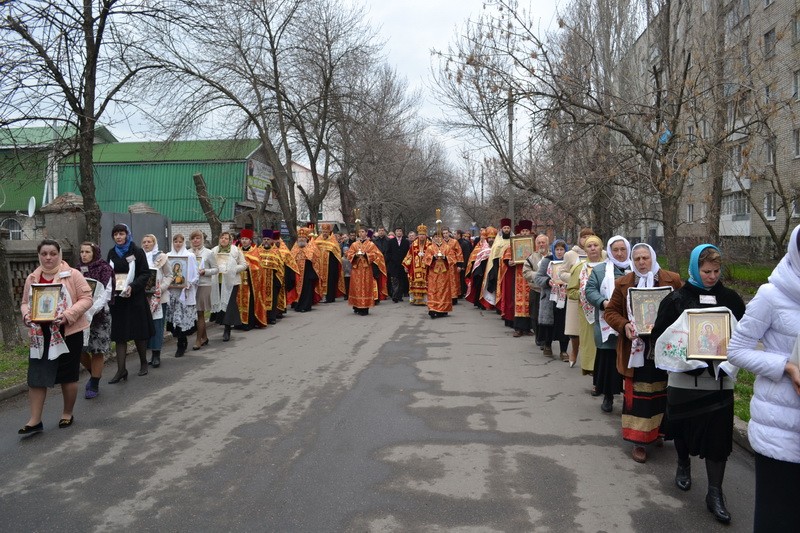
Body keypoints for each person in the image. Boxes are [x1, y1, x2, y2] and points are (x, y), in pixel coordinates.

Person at [651, 244, 745, 525]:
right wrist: (683, 352)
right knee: (682, 426)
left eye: (716, 271)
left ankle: (715, 493)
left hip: (719, 381)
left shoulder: (730, 299)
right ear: (695, 268)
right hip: (683, 380)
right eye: (706, 271)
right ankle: (683, 464)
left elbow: (744, 334)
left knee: (718, 436)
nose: (712, 276)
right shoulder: (677, 299)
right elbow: (660, 337)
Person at [727, 224, 800, 532]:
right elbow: (736, 350)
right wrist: (787, 366)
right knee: (779, 520)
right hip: (781, 432)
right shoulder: (772, 295)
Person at [603, 243, 682, 464]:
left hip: (664, 348)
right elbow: (610, 312)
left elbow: (683, 307)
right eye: (636, 258)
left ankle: (658, 432)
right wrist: (624, 325)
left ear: (652, 257)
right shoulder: (624, 283)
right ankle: (639, 441)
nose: (641, 262)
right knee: (639, 396)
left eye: (645, 258)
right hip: (636, 350)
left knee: (662, 392)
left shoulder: (671, 280)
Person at [18, 239, 93, 434]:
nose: (48, 257)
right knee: (37, 376)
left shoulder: (73, 275)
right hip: (39, 335)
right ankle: (35, 420)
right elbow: (25, 302)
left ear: (59, 254)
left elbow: (87, 298)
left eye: (52, 253)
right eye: (44, 254)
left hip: (67, 332)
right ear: (39, 256)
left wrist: (68, 316)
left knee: (67, 376)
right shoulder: (33, 277)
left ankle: (67, 413)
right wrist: (27, 316)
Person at [584, 236, 630, 413]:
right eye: (615, 250)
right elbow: (590, 290)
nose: (619, 253)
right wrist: (603, 302)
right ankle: (608, 396)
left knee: (630, 362)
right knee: (609, 361)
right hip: (607, 324)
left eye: (622, 249)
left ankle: (630, 398)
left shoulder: (636, 269)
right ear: (610, 251)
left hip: (631, 324)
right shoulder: (601, 270)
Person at [106, 224, 154, 383]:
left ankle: (143, 363)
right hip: (118, 300)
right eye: (115, 234)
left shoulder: (137, 251)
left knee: (138, 333)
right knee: (120, 335)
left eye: (121, 234)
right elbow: (108, 274)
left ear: (127, 235)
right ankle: (121, 370)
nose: (118, 237)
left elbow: (145, 273)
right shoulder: (112, 253)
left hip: (135, 299)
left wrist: (132, 287)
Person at [76, 242, 113, 399]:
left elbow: (106, 293)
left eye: (87, 252)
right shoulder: (76, 271)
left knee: (97, 350)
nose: (84, 255)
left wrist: (90, 310)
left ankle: (95, 383)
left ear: (95, 253)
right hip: (79, 316)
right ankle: (94, 374)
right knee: (79, 350)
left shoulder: (105, 269)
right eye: (82, 252)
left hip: (99, 316)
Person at [567, 234, 605, 373]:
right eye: (589, 246)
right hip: (587, 313)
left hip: (607, 311)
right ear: (585, 250)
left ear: (601, 248)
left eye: (596, 245)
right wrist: (583, 294)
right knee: (590, 343)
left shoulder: (609, 266)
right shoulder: (579, 268)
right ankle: (592, 371)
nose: (593, 248)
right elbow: (570, 291)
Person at [560, 228, 594, 367]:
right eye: (583, 237)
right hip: (577, 295)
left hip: (593, 296)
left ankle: (591, 357)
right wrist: (577, 279)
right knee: (575, 329)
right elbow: (561, 273)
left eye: (590, 236)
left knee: (591, 328)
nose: (586, 239)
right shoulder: (571, 254)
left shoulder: (601, 253)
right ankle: (574, 351)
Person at [165, 234, 199, 357]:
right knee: (176, 318)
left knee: (183, 318)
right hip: (173, 292)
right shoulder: (168, 256)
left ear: (184, 242)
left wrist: (190, 283)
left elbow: (196, 273)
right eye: (175, 241)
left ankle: (182, 342)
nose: (178, 243)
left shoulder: (190, 256)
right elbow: (166, 273)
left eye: (180, 241)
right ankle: (179, 340)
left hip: (185, 291)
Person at [141, 234, 172, 368]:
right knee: (145, 326)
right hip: (143, 297)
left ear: (154, 243)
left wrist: (161, 288)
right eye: (144, 242)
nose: (146, 244)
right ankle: (145, 355)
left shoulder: (162, 257)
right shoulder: (139, 257)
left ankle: (156, 354)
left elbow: (169, 275)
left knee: (157, 325)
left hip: (159, 297)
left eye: (149, 242)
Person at [535, 239, 569, 358]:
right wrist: (547, 281)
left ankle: (563, 350)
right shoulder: (547, 261)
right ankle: (547, 346)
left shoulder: (568, 262)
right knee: (549, 323)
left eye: (562, 249)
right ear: (553, 250)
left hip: (565, 297)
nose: (559, 252)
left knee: (564, 324)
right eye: (557, 249)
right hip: (550, 297)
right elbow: (538, 278)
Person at [211, 231, 247, 341]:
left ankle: (227, 329)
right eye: (222, 238)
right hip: (218, 282)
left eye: (226, 238)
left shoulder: (236, 250)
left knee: (230, 304)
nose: (224, 240)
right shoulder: (214, 251)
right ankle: (223, 323)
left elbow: (244, 265)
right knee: (222, 303)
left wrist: (233, 269)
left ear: (230, 240)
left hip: (232, 282)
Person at [503, 220, 533, 337]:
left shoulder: (533, 243)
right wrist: (510, 262)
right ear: (519, 232)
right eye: (523, 231)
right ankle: (518, 328)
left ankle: (528, 328)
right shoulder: (514, 243)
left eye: (527, 231)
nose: (525, 233)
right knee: (518, 301)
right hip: (518, 276)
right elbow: (507, 257)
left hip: (530, 276)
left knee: (530, 302)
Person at [346, 227, 384, 315]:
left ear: (366, 233)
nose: (361, 233)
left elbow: (377, 255)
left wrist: (366, 255)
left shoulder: (371, 244)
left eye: (363, 232)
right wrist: (355, 255)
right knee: (356, 287)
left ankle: (364, 308)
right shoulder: (354, 244)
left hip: (366, 269)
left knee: (365, 287)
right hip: (356, 269)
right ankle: (356, 306)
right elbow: (349, 254)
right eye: (359, 232)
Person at [190, 230, 217, 350]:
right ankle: (205, 337)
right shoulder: (188, 252)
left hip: (204, 284)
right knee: (196, 312)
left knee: (200, 312)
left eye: (198, 238)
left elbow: (216, 269)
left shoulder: (208, 253)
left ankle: (198, 340)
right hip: (191, 286)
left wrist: (205, 271)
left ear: (202, 239)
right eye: (193, 238)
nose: (195, 240)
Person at [237, 229, 267, 329]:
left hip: (249, 282)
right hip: (237, 281)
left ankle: (248, 323)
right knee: (237, 302)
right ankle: (238, 322)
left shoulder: (255, 252)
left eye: (246, 239)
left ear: (250, 241)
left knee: (248, 301)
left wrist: (248, 266)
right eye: (242, 239)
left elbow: (259, 268)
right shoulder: (236, 251)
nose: (244, 241)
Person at [523, 233, 549, 346]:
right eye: (539, 243)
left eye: (543, 242)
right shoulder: (531, 257)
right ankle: (539, 337)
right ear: (536, 244)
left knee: (548, 316)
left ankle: (546, 338)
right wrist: (538, 276)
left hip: (549, 291)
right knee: (535, 315)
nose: (541, 244)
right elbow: (526, 272)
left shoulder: (553, 256)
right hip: (536, 290)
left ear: (548, 243)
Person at [480, 218, 512, 310]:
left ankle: (506, 306)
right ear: (502, 229)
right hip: (498, 268)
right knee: (498, 287)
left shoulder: (513, 240)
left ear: (510, 229)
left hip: (509, 268)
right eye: (505, 228)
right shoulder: (497, 242)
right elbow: (493, 256)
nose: (506, 230)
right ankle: (499, 306)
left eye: (508, 228)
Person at [424, 232, 457, 318]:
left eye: (439, 237)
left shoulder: (447, 247)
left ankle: (443, 309)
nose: (437, 239)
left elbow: (453, 259)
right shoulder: (430, 248)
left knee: (443, 291)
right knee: (432, 290)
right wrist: (433, 257)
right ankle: (432, 308)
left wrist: (445, 257)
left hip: (444, 274)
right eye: (435, 237)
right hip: (433, 274)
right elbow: (425, 260)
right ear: (433, 238)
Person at [291, 227, 322, 312]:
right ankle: (297, 305)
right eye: (299, 237)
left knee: (306, 290)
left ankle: (306, 306)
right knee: (297, 289)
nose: (301, 239)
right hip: (297, 274)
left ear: (306, 239)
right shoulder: (294, 249)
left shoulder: (311, 249)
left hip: (308, 274)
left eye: (303, 238)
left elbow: (316, 261)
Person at [315, 223, 346, 303]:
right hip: (320, 265)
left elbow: (337, 253)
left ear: (329, 232)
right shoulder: (317, 240)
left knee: (330, 281)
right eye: (323, 232)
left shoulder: (333, 241)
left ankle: (330, 297)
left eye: (326, 232)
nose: (325, 233)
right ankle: (320, 296)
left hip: (330, 266)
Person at [465, 228, 493, 308]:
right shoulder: (480, 247)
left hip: (491, 269)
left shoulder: (495, 246)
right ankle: (480, 302)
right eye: (489, 237)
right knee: (480, 286)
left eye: (492, 237)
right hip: (482, 270)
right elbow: (474, 258)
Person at [403, 225, 430, 305]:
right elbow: (409, 255)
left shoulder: (429, 244)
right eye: (420, 234)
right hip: (414, 268)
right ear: (418, 235)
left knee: (425, 283)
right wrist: (406, 265)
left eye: (423, 234)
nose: (422, 236)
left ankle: (425, 299)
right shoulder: (413, 244)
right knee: (413, 282)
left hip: (426, 268)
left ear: (426, 235)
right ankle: (414, 299)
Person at [387, 227, 410, 302]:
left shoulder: (406, 242)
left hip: (402, 264)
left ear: (402, 233)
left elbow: (408, 253)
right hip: (394, 264)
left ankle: (399, 295)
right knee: (394, 280)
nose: (399, 232)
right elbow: (388, 252)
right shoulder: (391, 241)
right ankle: (395, 295)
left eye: (400, 231)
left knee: (402, 280)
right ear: (395, 233)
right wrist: (391, 260)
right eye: (397, 231)